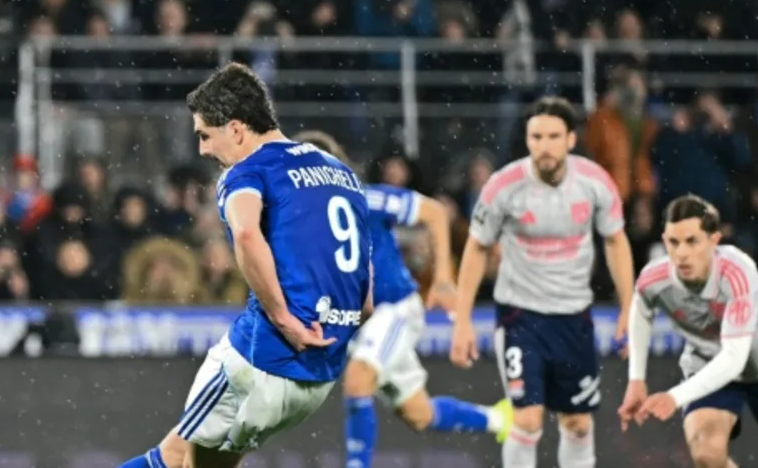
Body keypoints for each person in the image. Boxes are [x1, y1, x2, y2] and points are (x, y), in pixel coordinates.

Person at [119, 63, 372, 468]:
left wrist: (284, 317)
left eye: (205, 135)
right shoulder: (340, 173)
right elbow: (367, 297)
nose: (202, 149)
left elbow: (247, 234)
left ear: (236, 129)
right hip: (319, 376)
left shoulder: (247, 170)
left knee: (168, 459)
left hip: (261, 357)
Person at [292, 130, 511, 466]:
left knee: (358, 378)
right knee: (418, 413)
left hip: (395, 308)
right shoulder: (297, 226)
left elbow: (435, 213)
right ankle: (499, 420)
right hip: (363, 324)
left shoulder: (367, 199)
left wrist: (441, 279)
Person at [450, 96, 636, 468]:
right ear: (526, 139)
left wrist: (628, 310)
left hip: (573, 316)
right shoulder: (503, 186)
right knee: (527, 419)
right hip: (521, 317)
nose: (544, 146)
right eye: (536, 137)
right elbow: (476, 247)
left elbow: (616, 241)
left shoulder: (595, 183)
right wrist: (462, 319)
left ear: (570, 139)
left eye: (553, 136)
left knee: (579, 424)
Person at [619, 195, 758, 468]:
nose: (681, 254)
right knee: (707, 454)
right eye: (673, 242)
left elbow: (735, 358)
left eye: (692, 241)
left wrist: (675, 397)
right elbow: (641, 308)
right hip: (707, 362)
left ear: (714, 241)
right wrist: (636, 380)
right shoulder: (654, 278)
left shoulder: (737, 273)